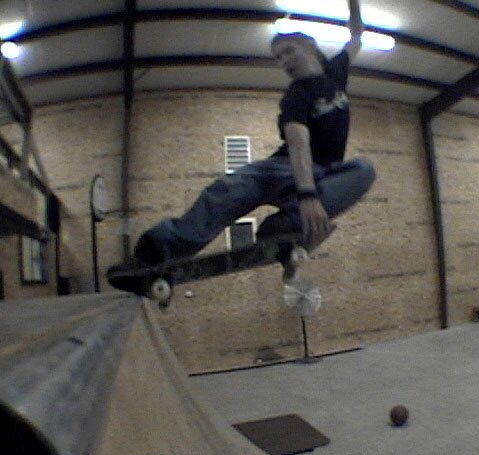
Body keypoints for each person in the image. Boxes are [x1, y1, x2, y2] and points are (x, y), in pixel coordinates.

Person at [133, 0, 376, 277]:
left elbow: (357, 33)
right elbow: (298, 144)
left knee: (364, 170)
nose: (284, 62)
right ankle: (159, 249)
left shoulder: (336, 72)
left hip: (327, 174)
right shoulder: (296, 96)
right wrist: (307, 195)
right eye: (278, 58)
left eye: (288, 52)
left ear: (309, 45)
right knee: (228, 189)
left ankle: (284, 226)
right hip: (284, 167)